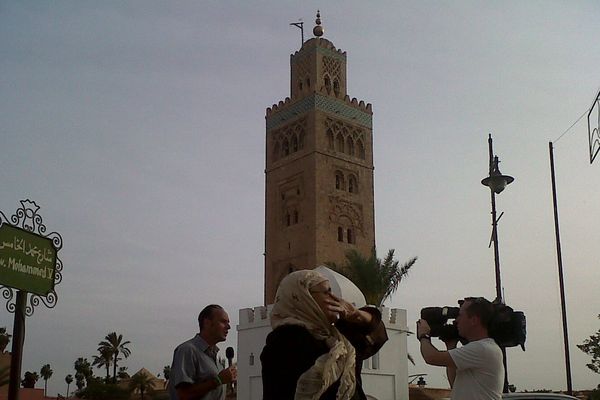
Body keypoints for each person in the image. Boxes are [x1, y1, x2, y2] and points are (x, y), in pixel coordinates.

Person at [260, 269, 388, 400]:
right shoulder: (284, 343)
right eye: (326, 292)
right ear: (305, 298)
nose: (334, 298)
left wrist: (357, 315)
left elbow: (377, 337)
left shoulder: (337, 339)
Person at [416, 297, 504, 400]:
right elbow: (455, 384)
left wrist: (424, 335)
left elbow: (431, 357)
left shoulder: (483, 348)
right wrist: (451, 346)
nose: (456, 320)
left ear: (474, 320)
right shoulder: (481, 348)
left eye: (460, 316)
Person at [169, 304, 237, 400]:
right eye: (223, 322)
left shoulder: (216, 361)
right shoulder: (188, 351)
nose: (228, 327)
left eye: (228, 322)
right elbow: (183, 394)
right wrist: (218, 380)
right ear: (207, 323)